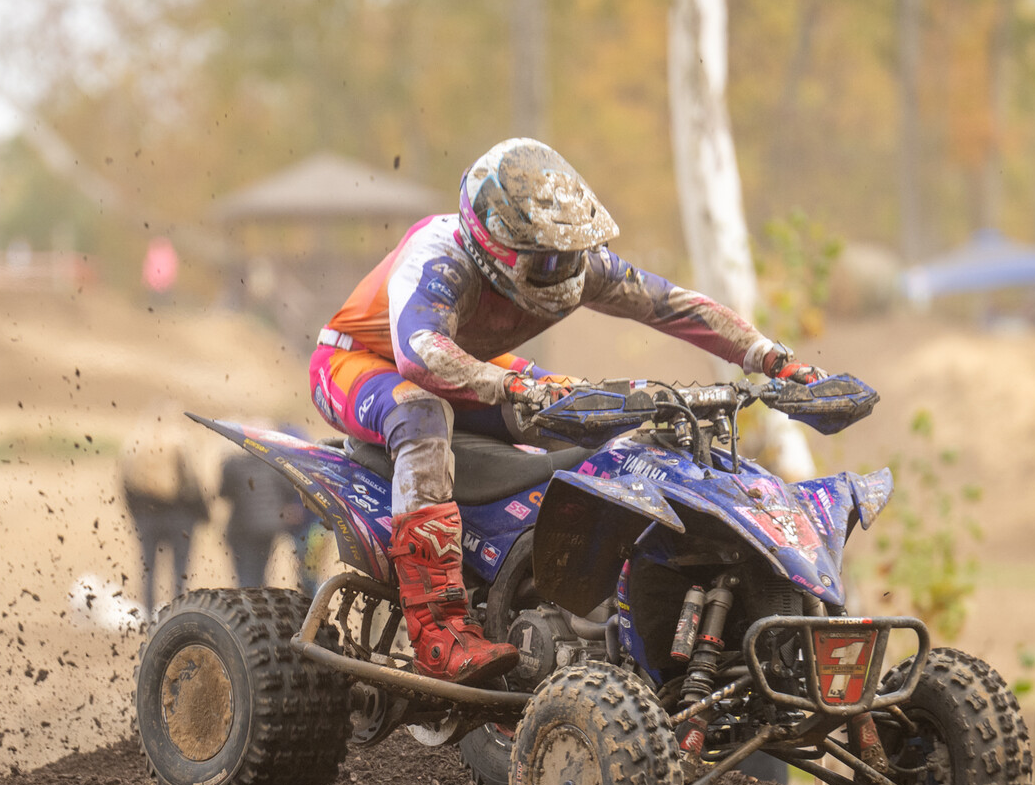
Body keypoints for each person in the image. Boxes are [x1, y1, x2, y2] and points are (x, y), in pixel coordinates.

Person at [312, 137, 824, 682]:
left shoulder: (581, 265)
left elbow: (673, 306)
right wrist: (510, 386)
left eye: (572, 252)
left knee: (590, 407)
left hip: (472, 362)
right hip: (360, 363)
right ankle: (438, 630)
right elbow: (420, 354)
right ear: (496, 245)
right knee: (421, 414)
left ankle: (607, 589)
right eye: (548, 258)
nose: (564, 270)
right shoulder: (441, 257)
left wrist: (770, 358)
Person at [118, 406, 208, 617]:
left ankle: (148, 615)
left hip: (146, 516)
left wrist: (136, 513)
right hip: (178, 515)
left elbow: (125, 482)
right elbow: (192, 481)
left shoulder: (134, 442)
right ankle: (176, 614)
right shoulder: (180, 442)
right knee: (179, 569)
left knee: (148, 569)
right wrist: (201, 512)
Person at [219, 428, 316, 593]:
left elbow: (223, 493)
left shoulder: (234, 465)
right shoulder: (272, 465)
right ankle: (260, 606)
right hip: (269, 528)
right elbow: (288, 491)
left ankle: (246, 610)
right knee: (261, 571)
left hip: (242, 529)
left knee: (245, 575)